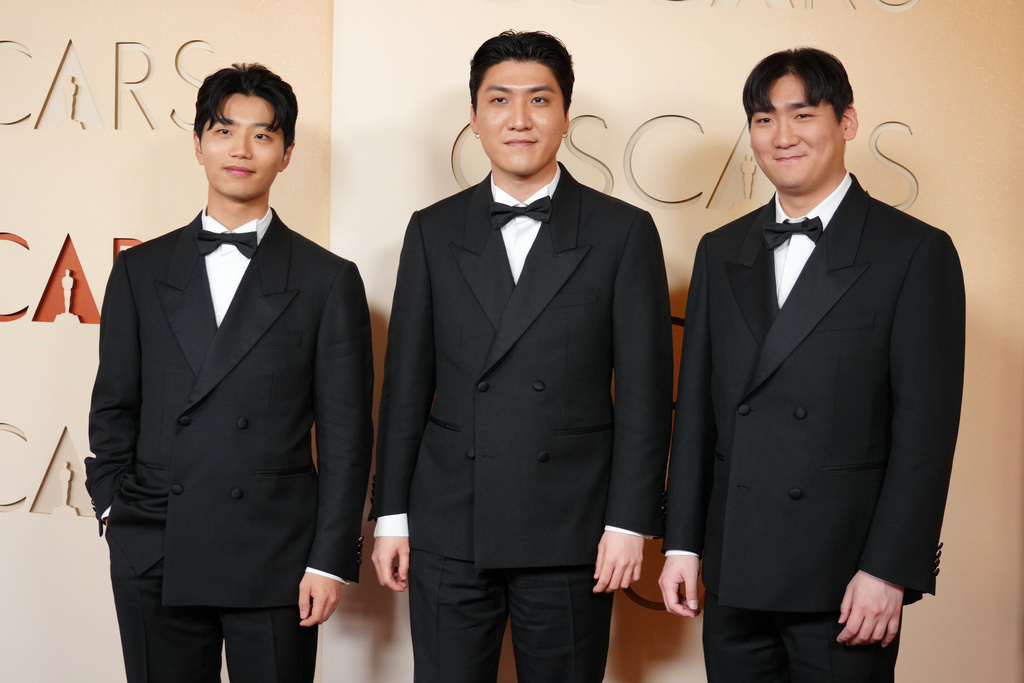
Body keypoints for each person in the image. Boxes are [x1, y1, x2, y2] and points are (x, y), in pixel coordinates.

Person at [370, 30, 673, 683]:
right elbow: (405, 388)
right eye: (499, 100)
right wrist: (391, 514)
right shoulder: (432, 229)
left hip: (571, 526)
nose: (519, 119)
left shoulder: (622, 232)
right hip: (450, 519)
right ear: (474, 116)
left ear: (565, 114)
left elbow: (646, 398)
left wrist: (628, 521)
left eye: (539, 100)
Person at [658, 47, 965, 682]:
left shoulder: (915, 252)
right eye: (764, 119)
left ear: (846, 122)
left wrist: (888, 570)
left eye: (803, 114)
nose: (782, 135)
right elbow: (696, 418)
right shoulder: (720, 250)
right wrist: (683, 542)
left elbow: (925, 434)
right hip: (736, 569)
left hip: (846, 579)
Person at [85, 63, 373, 683]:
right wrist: (113, 509)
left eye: (262, 135)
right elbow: (113, 407)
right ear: (198, 144)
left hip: (277, 556)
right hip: (156, 546)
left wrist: (329, 559)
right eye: (223, 131)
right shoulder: (140, 271)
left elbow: (347, 440)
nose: (241, 149)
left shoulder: (328, 280)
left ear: (286, 154)